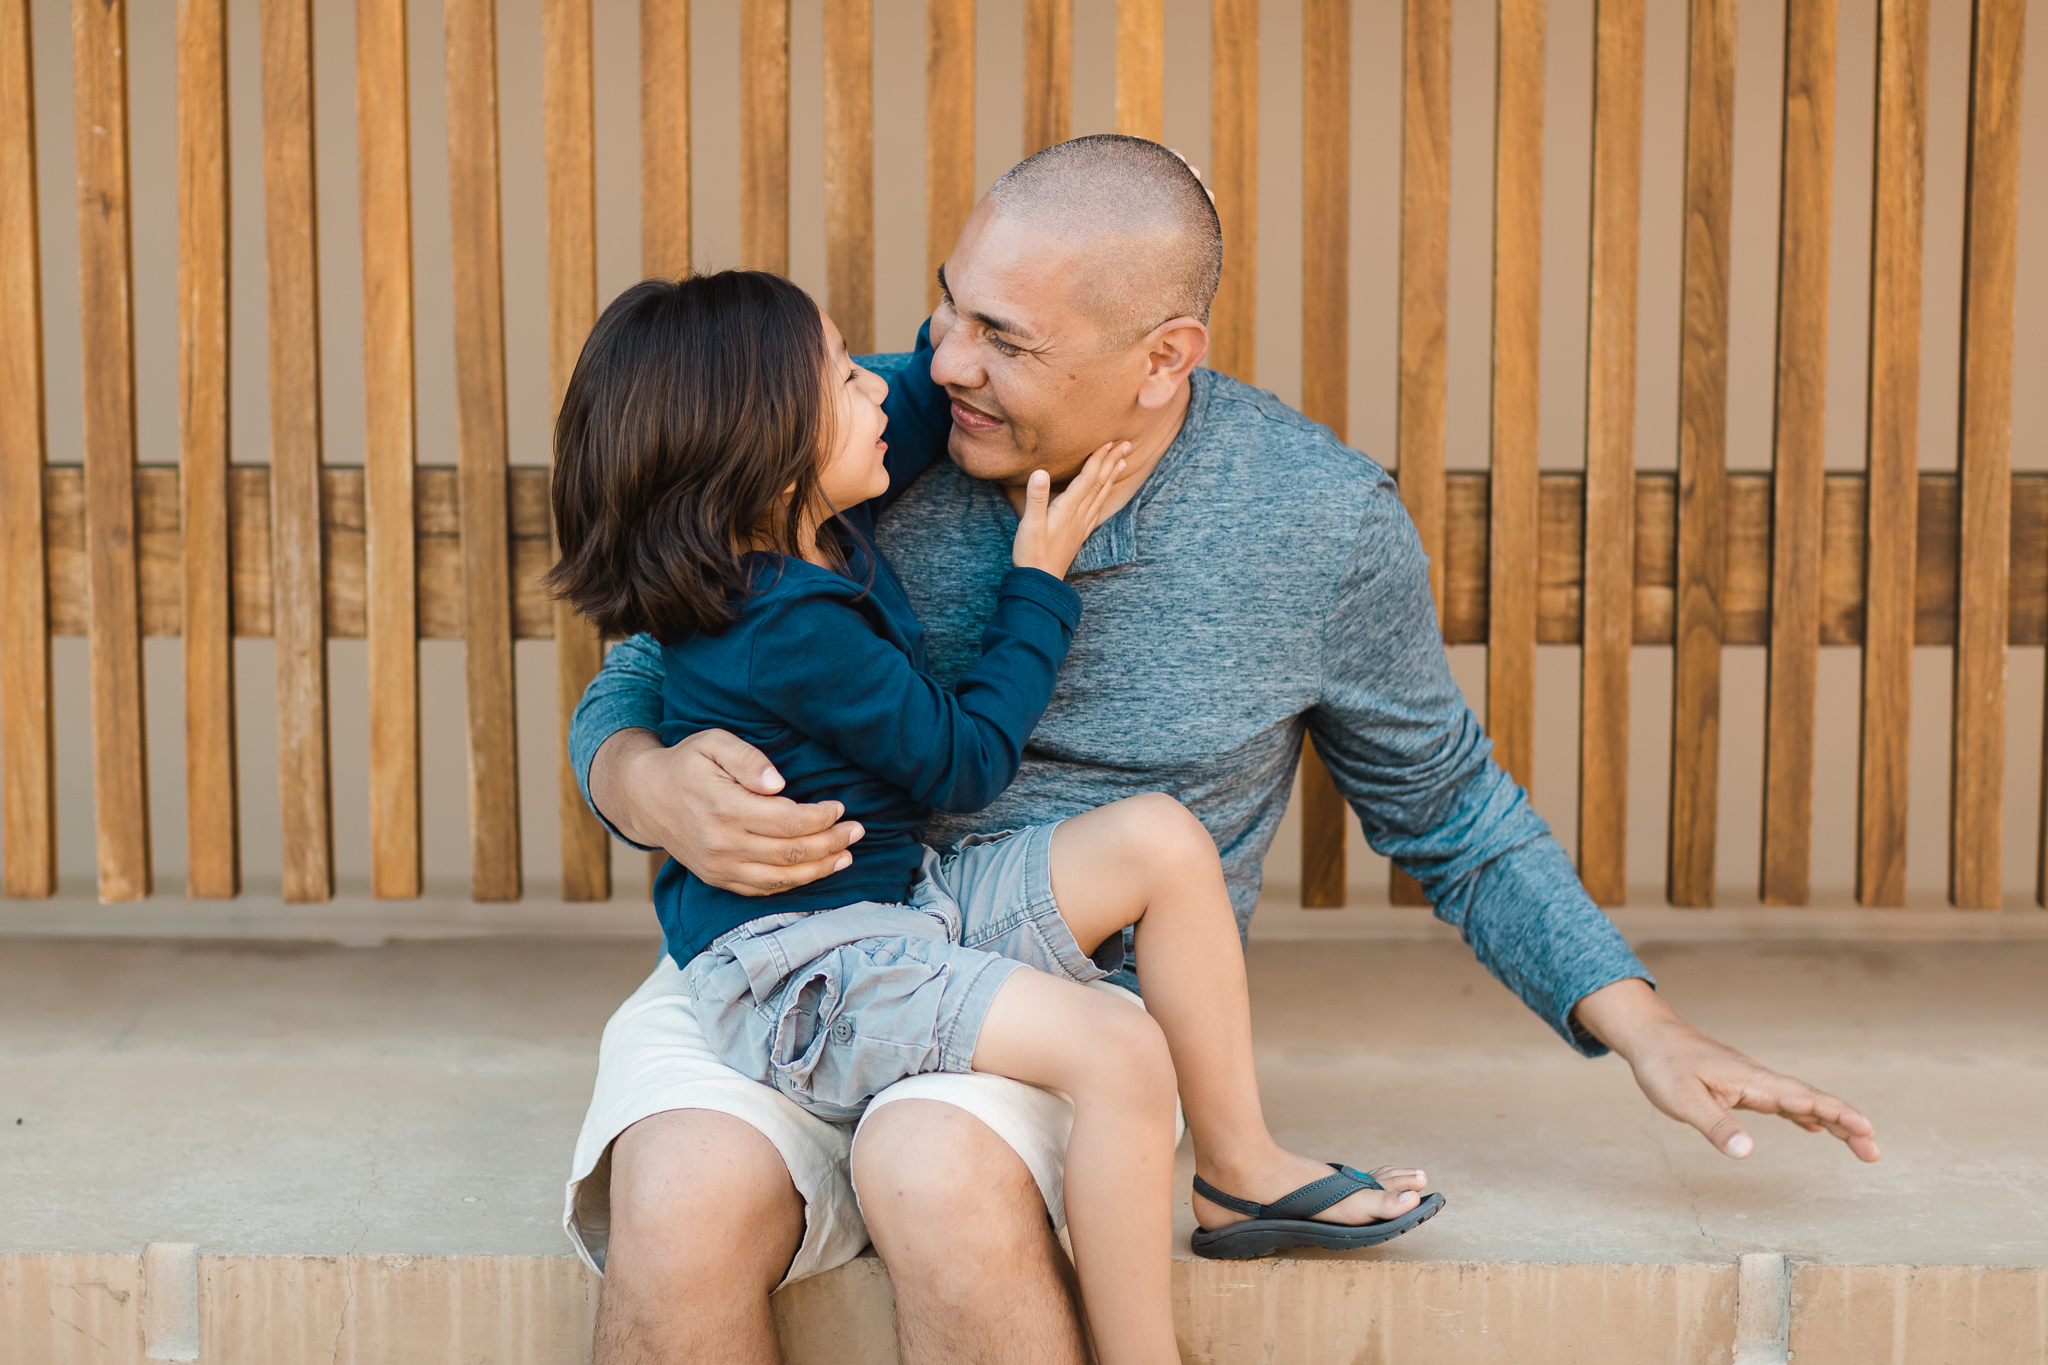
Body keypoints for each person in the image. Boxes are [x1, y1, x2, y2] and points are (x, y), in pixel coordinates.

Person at [564, 136, 1881, 1365]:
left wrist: (1638, 1023)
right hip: (790, 934)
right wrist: (645, 783)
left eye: (1003, 340)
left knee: (934, 1170)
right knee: (676, 1205)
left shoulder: (1310, 519)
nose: (944, 364)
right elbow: (654, 650)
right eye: (945, 308)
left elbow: (1451, 808)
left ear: (1161, 355)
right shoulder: (875, 434)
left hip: (1056, 968)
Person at [548, 268, 1443, 1363]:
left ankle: (1239, 1167)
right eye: (842, 378)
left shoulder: (789, 530)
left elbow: (920, 383)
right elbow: (962, 763)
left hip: (885, 905)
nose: (890, 382)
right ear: (764, 450)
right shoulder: (785, 623)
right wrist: (1039, 577)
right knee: (1115, 1046)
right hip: (811, 970)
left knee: (1161, 839)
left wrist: (979, 341)